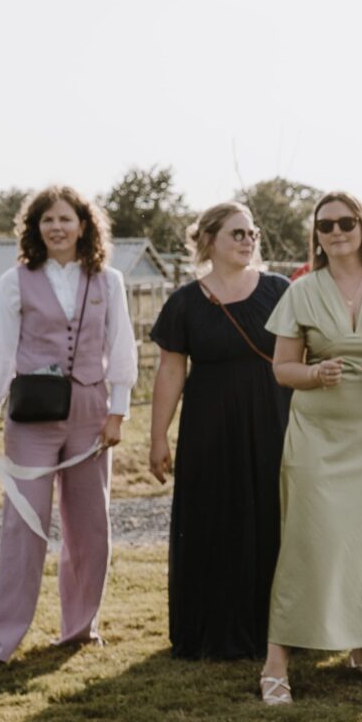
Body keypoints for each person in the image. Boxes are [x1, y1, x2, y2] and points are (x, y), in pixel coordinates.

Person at [259, 191, 362, 704]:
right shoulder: (303, 290)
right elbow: (281, 367)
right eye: (325, 225)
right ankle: (276, 665)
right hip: (317, 433)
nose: (335, 232)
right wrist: (313, 373)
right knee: (309, 541)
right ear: (317, 235)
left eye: (345, 223)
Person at [0, 185, 139, 665]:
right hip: (32, 415)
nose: (57, 228)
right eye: (47, 220)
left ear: (84, 226)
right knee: (23, 525)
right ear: (35, 228)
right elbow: (2, 348)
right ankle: (1, 642)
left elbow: (121, 343)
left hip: (91, 412)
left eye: (66, 219)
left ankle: (79, 628)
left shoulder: (107, 281)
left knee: (90, 525)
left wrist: (119, 410)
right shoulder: (15, 280)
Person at [148, 201, 291, 661]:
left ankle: (276, 629)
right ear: (209, 240)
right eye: (237, 233)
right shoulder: (185, 302)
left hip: (273, 416)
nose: (248, 241)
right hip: (208, 425)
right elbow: (170, 373)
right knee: (213, 519)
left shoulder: (279, 290)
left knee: (272, 516)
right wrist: (157, 438)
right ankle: (208, 629)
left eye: (252, 233)